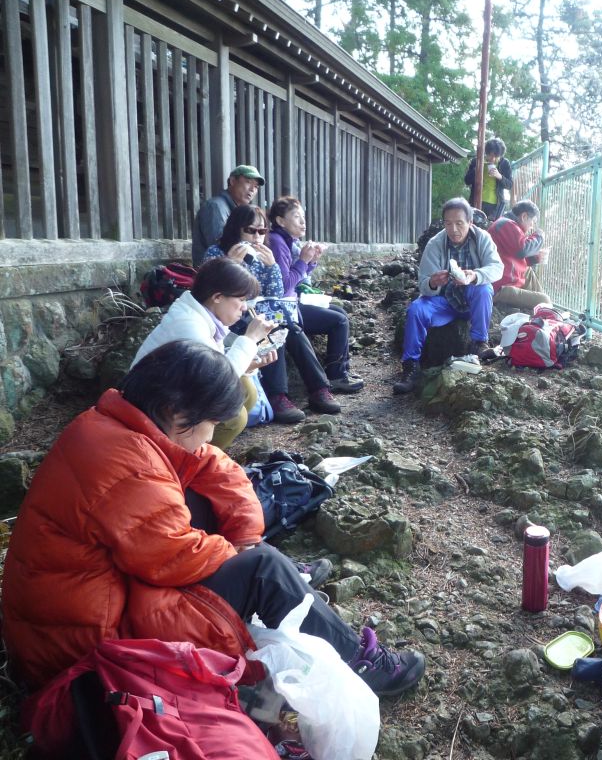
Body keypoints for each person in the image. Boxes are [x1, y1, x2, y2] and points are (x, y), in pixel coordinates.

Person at [0, 340, 426, 697]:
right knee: (264, 571)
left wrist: (246, 533)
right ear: (174, 409)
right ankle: (363, 663)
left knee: (216, 515)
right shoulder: (128, 463)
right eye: (212, 422)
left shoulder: (119, 425)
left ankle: (285, 588)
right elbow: (170, 557)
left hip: (89, 603)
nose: (212, 433)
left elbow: (213, 466)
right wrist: (243, 553)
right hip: (84, 648)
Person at [204, 204, 343, 423]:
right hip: (230, 316)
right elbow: (209, 291)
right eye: (251, 230)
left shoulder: (263, 254)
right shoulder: (216, 252)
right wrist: (230, 264)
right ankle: (278, 396)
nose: (257, 237)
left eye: (262, 231)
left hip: (260, 311)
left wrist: (271, 267)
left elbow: (276, 293)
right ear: (236, 229)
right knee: (272, 329)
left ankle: (319, 389)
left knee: (292, 328)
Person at [132, 257, 277, 449]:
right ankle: (188, 462)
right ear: (217, 297)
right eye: (241, 300)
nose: (245, 307)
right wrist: (250, 339)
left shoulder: (199, 315)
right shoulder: (189, 326)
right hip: (153, 407)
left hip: (174, 392)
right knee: (235, 417)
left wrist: (250, 364)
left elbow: (213, 369)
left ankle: (204, 453)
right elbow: (218, 380)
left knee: (247, 390)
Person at [393, 197, 503, 394]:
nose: (454, 229)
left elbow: (497, 268)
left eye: (459, 223)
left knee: (484, 289)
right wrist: (433, 282)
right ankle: (410, 366)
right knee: (416, 309)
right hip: (444, 301)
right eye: (448, 223)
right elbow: (423, 284)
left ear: (470, 222)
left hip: (471, 301)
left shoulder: (482, 238)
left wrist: (475, 276)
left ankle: (478, 343)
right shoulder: (436, 243)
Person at [267, 196, 364, 400]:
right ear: (280, 221)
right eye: (296, 217)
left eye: (303, 216)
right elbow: (284, 286)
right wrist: (303, 260)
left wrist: (312, 261)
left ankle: (341, 369)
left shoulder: (288, 240)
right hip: (284, 306)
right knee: (339, 321)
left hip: (292, 301)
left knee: (339, 311)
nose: (303, 222)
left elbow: (299, 276)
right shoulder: (276, 242)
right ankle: (336, 375)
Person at [192, 164, 265, 265]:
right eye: (248, 182)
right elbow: (221, 246)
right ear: (232, 181)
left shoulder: (239, 211)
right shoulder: (215, 207)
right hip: (213, 273)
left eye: (256, 186)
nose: (253, 189)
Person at [488, 199, 552, 312]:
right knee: (545, 300)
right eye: (532, 221)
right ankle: (544, 311)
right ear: (524, 216)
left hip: (506, 280)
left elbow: (513, 257)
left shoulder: (507, 225)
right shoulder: (505, 224)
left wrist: (536, 258)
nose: (532, 226)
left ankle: (546, 312)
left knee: (528, 271)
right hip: (499, 288)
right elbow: (522, 249)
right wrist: (539, 236)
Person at [464, 138, 513, 222]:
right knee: (474, 227)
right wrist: (478, 168)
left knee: (491, 230)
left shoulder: (505, 163)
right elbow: (467, 180)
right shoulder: (477, 161)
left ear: (501, 155)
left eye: (496, 156)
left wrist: (499, 176)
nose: (493, 159)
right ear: (486, 153)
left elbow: (510, 185)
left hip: (495, 205)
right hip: (476, 202)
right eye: (491, 155)